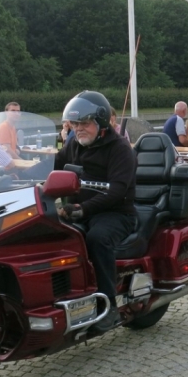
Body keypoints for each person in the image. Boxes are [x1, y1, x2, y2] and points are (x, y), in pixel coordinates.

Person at [55, 91, 137, 332]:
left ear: (100, 123)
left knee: (97, 239)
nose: (78, 129)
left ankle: (109, 306)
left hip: (116, 214)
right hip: (79, 211)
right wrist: (16, 173)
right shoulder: (73, 144)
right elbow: (54, 165)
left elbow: (117, 191)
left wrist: (82, 208)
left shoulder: (120, 148)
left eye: (84, 123)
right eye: (74, 124)